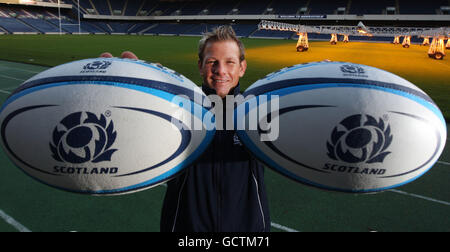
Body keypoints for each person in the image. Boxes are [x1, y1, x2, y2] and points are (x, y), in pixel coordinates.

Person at [102, 25, 270, 232]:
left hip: (248, 229)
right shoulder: (176, 106)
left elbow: (302, 137)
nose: (221, 70)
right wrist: (139, 98)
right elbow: (139, 138)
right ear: (200, 66)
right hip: (184, 226)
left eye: (230, 62)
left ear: (242, 68)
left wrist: (323, 88)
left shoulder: (259, 109)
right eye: (212, 62)